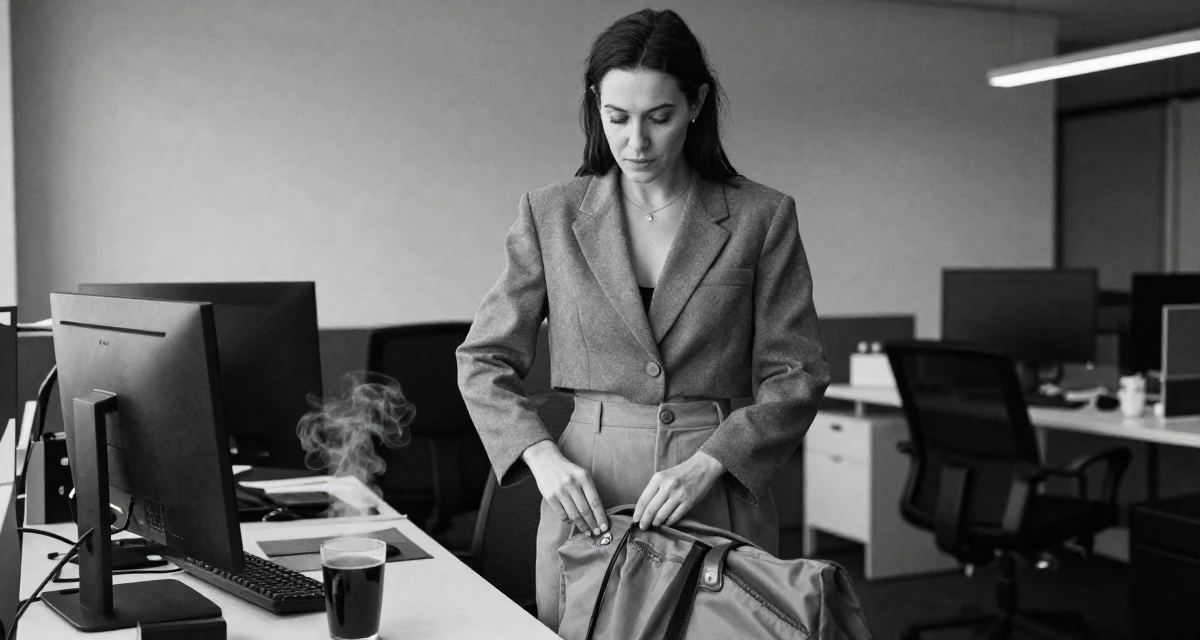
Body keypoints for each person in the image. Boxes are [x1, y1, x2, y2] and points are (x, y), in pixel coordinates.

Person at [455, 8, 830, 629]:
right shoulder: (551, 214)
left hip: (715, 482)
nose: (636, 143)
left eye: (659, 118)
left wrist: (712, 461)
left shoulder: (762, 216)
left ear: (696, 104)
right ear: (595, 105)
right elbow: (482, 360)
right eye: (617, 118)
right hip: (590, 494)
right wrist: (540, 455)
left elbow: (798, 373)